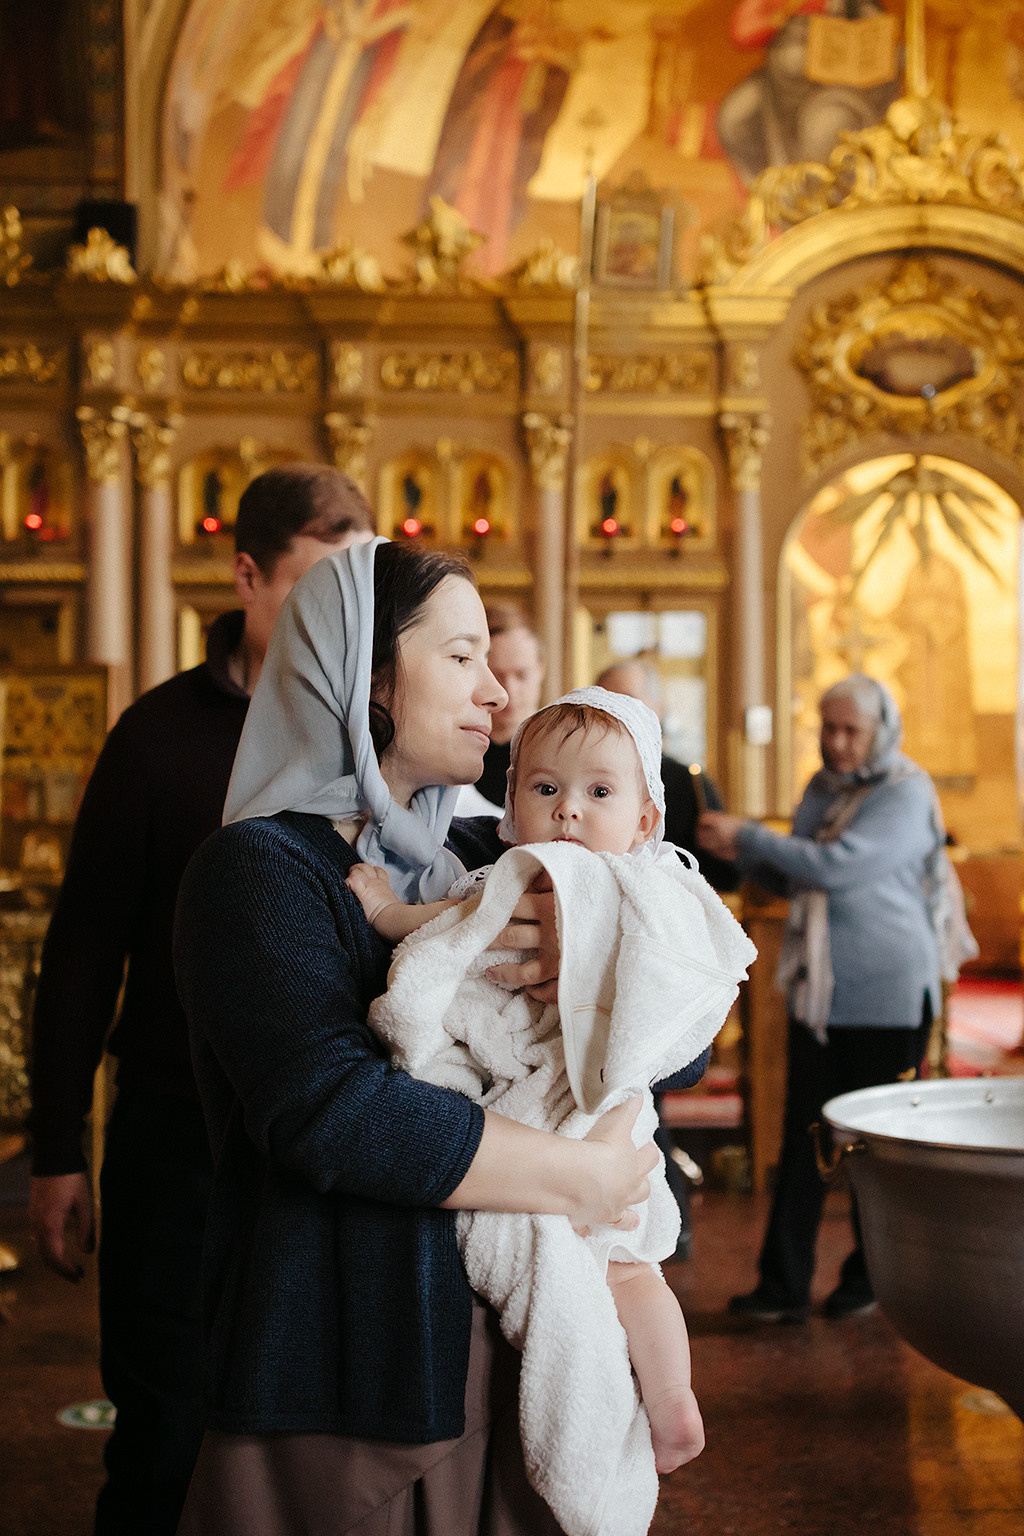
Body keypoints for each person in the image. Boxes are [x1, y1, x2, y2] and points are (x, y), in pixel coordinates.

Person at [172, 539, 659, 1536]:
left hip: (513, 1349)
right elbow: (330, 1112)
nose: (496, 690)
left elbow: (673, 1026)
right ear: (368, 676)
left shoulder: (488, 852)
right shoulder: (258, 869)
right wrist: (583, 1177)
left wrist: (596, 980)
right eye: (461, 656)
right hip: (348, 1368)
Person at [26, 464, 375, 1536]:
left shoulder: (376, 735)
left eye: (354, 591)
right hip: (176, 1135)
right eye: (314, 586)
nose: (336, 619)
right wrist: (55, 1149)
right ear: (247, 578)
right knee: (164, 1430)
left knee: (313, 1443)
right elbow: (84, 950)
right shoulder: (155, 737)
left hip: (328, 1142)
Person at [347, 688, 749, 1487]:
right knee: (625, 1271)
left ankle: (627, 1410)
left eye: (599, 792)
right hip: (584, 1114)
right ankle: (669, 1400)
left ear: (645, 820)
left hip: (579, 1109)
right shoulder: (542, 877)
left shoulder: (585, 883)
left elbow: (445, 930)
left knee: (584, 1271)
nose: (569, 810)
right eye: (545, 788)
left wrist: (385, 910)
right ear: (510, 808)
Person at [697, 674, 948, 1322]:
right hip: (821, 998)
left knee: (879, 1150)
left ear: (881, 730)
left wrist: (752, 835)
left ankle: (870, 1281)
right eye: (828, 729)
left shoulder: (906, 790)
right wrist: (742, 856)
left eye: (850, 730)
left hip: (889, 996)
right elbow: (798, 879)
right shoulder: (821, 788)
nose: (836, 742)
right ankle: (782, 1287)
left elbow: (838, 866)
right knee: (805, 1140)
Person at [597, 656, 737, 1258]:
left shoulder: (685, 780)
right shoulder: (578, 770)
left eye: (632, 703)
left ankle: (659, 1221)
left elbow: (721, 877)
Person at [596, 657, 737, 893]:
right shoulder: (577, 777)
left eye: (627, 699)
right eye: (604, 703)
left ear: (657, 709)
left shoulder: (689, 783)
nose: (614, 713)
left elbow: (721, 876)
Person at [474, 602, 545, 809]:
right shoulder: (454, 753)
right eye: (497, 675)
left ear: (541, 670)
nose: (509, 692)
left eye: (521, 675)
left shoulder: (561, 749)